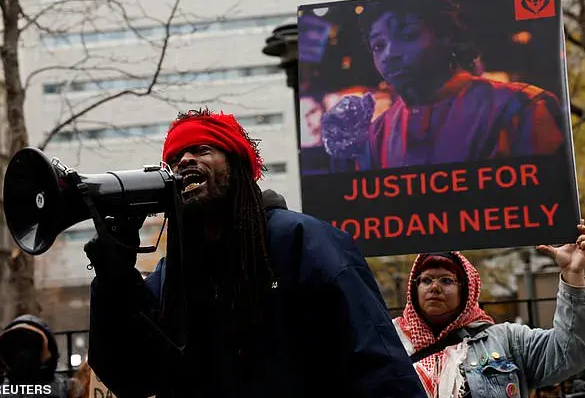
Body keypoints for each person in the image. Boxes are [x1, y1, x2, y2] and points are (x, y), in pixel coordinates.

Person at [85, 108, 426, 398]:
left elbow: (378, 364)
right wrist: (115, 281)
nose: (185, 160)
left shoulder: (305, 242)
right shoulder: (171, 276)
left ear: (237, 167)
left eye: (202, 150)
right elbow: (133, 377)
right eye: (174, 158)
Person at [319, 0, 565, 171]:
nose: (389, 55)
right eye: (378, 45)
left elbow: (549, 208)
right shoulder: (377, 135)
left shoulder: (523, 107)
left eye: (407, 35)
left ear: (446, 35)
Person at [391, 226, 585, 398]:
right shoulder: (390, 342)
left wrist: (573, 275)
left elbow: (568, 352)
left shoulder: (507, 341)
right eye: (426, 280)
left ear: (466, 291)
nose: (434, 287)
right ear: (414, 290)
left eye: (446, 280)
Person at [0, 314, 82, 398]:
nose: (22, 353)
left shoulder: (67, 388)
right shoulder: (66, 387)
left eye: (31, 344)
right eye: (13, 346)